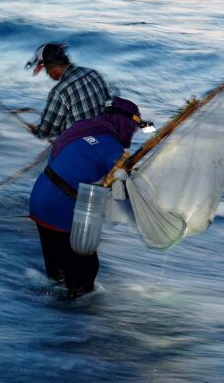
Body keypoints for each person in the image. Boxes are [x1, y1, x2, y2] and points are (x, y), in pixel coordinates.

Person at [29, 97, 152, 299]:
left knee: (58, 274)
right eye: (133, 128)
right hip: (60, 209)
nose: (132, 132)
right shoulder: (111, 148)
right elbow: (126, 193)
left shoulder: (80, 128)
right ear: (124, 123)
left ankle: (49, 312)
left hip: (40, 199)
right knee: (85, 271)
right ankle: (74, 320)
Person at [27, 42, 111, 140]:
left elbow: (46, 132)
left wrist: (36, 131)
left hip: (81, 144)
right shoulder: (93, 73)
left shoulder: (59, 92)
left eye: (46, 69)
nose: (46, 73)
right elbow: (108, 102)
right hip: (104, 134)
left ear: (51, 66)